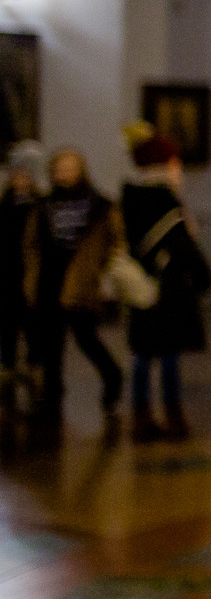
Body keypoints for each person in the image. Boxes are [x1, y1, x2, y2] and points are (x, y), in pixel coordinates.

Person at [24, 148, 127, 443]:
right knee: (50, 343)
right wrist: (31, 277)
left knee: (86, 337)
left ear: (81, 170)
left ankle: (111, 376)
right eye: (60, 169)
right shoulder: (43, 205)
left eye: (70, 168)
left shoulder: (99, 204)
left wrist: (101, 270)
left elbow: (114, 240)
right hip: (50, 278)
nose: (65, 174)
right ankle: (53, 395)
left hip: (81, 279)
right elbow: (31, 243)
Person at [121, 132, 211, 443]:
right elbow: (182, 243)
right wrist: (203, 276)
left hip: (141, 285)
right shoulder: (165, 199)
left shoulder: (129, 197)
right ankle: (173, 417)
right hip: (170, 287)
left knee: (143, 356)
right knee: (170, 355)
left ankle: (140, 417)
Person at [0, 142, 44, 375]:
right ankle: (7, 365)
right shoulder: (4, 204)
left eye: (26, 175)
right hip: (6, 271)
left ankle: (33, 365)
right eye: (17, 174)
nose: (21, 179)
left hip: (30, 272)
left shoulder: (39, 205)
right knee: (6, 324)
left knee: (32, 324)